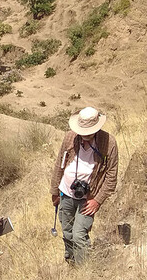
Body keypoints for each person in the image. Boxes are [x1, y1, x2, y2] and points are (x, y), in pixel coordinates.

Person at [50, 106, 119, 265]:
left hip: (88, 198)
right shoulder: (70, 138)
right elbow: (59, 164)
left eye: (89, 131)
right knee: (67, 232)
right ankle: (71, 263)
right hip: (66, 193)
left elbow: (111, 176)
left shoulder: (108, 143)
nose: (85, 134)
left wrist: (98, 200)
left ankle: (85, 270)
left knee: (79, 234)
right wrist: (55, 191)